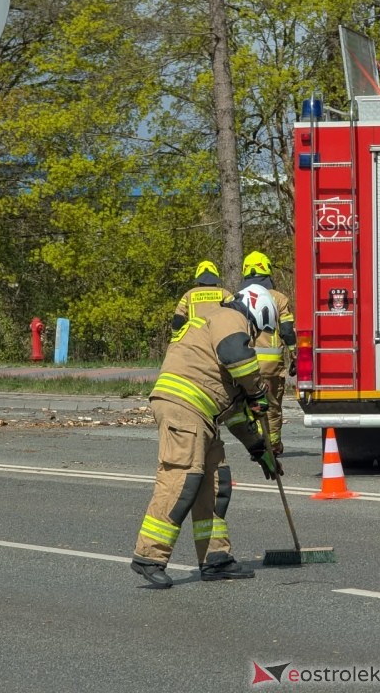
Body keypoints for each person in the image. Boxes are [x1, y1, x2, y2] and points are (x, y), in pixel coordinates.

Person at [131, 284, 281, 589]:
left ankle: (216, 559)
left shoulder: (225, 335)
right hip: (183, 407)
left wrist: (259, 448)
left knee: (215, 483)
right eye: (258, 329)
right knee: (182, 479)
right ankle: (148, 556)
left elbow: (237, 415)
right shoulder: (228, 318)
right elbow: (236, 354)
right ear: (255, 311)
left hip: (203, 415)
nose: (255, 336)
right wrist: (257, 390)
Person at [241, 251, 296, 455]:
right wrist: (294, 354)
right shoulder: (279, 298)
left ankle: (256, 443)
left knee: (250, 404)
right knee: (272, 405)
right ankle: (272, 446)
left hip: (244, 363)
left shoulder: (237, 298)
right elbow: (288, 331)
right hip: (271, 364)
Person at [171, 260, 233, 331]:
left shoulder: (189, 295)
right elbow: (235, 312)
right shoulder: (224, 293)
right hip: (218, 334)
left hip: (196, 334)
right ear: (215, 276)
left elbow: (178, 319)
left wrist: (175, 337)